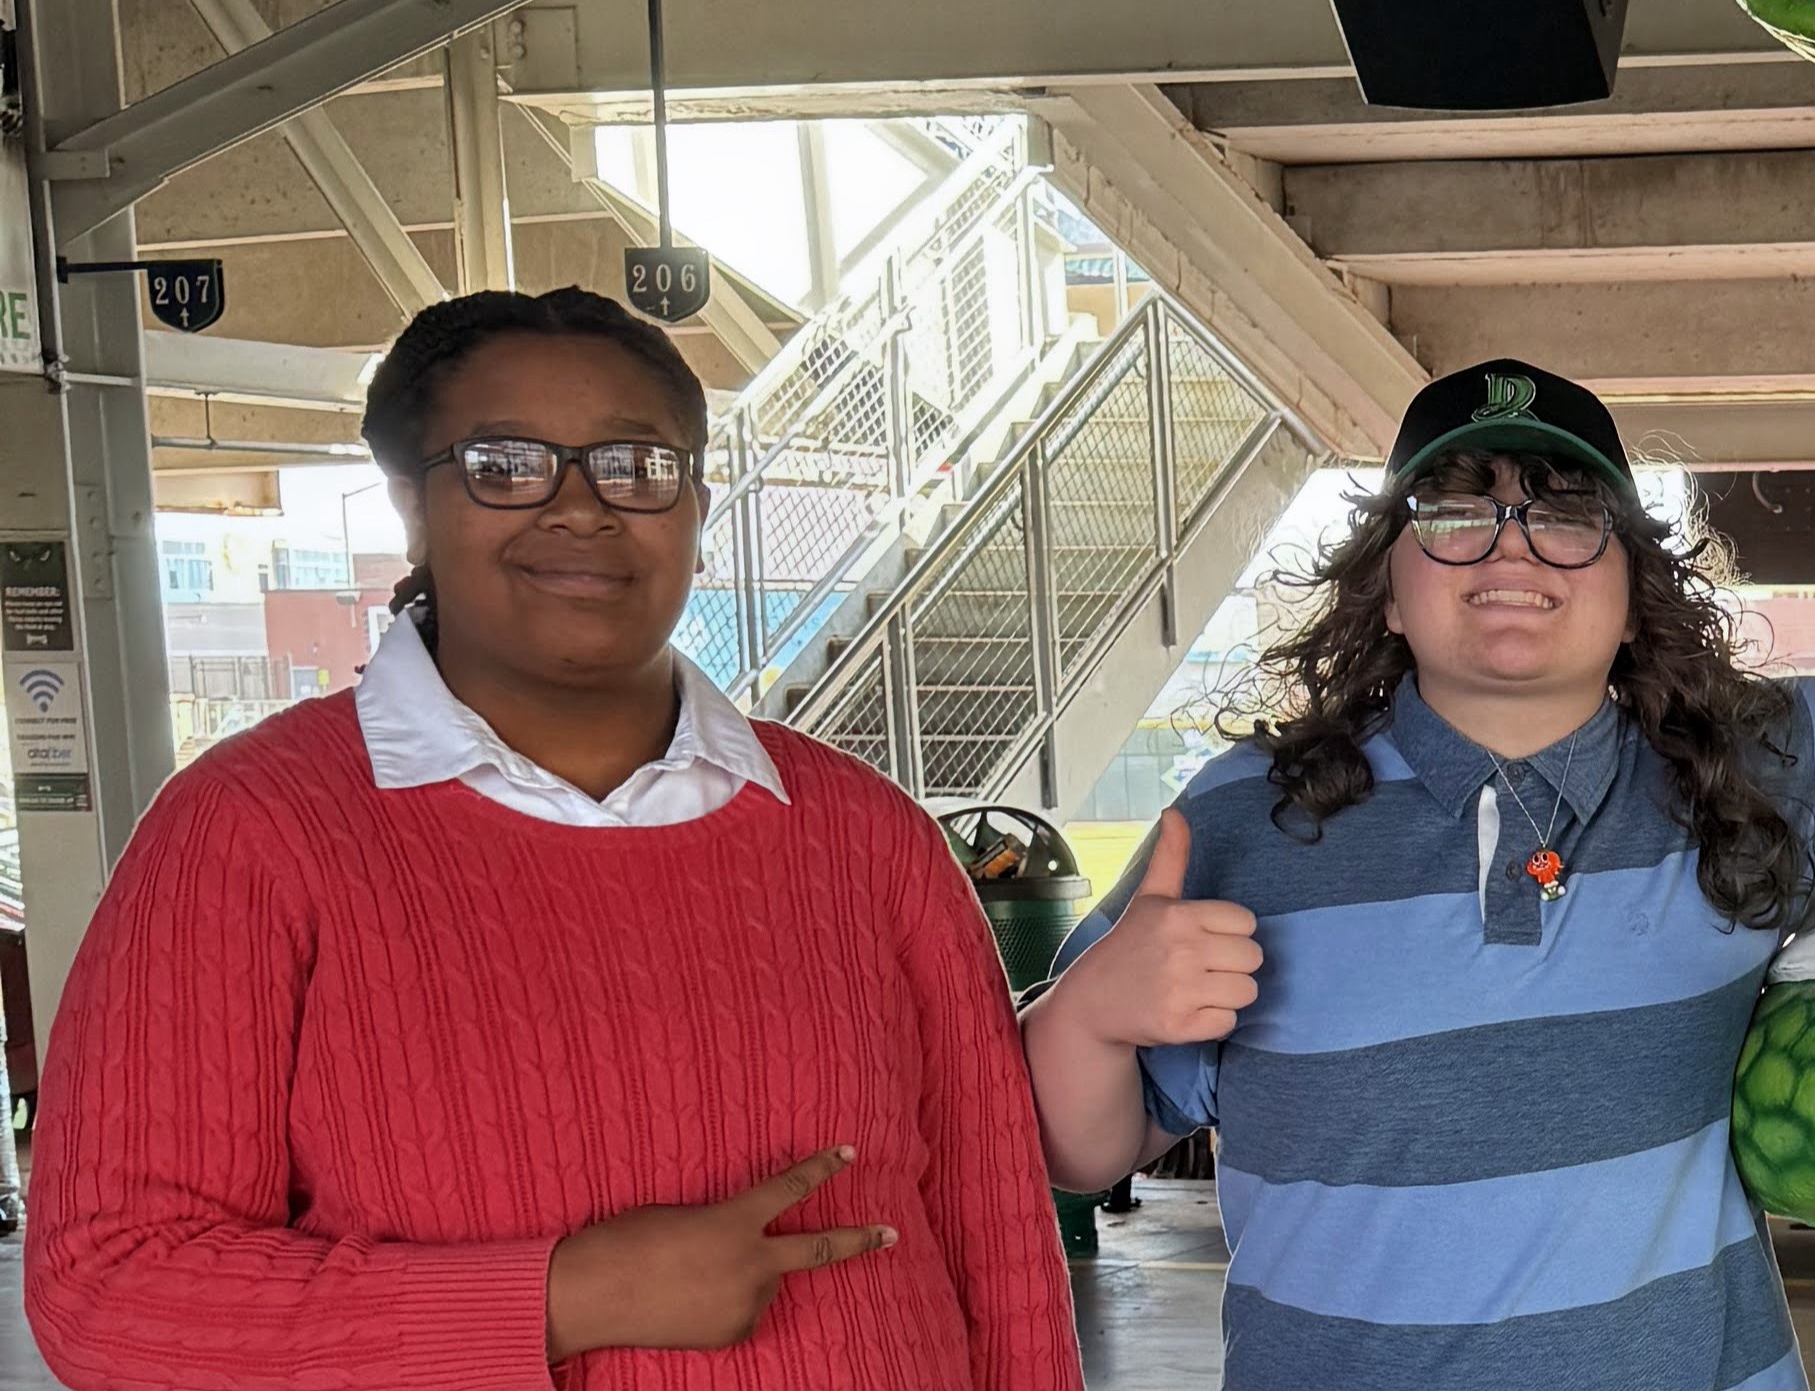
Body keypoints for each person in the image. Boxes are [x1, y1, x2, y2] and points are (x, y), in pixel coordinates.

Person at [27, 289, 1083, 1391]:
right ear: (410, 506)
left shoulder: (867, 839)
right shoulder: (250, 832)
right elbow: (112, 1289)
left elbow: (998, 1239)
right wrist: (562, 1300)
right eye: (503, 464)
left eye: (636, 466)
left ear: (696, 505)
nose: (581, 510)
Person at [1020, 358, 1815, 1391]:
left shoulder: (1745, 772)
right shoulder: (1244, 818)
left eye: (1566, 515)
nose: (1511, 550)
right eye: (1453, 513)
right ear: (1385, 588)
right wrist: (1094, 1015)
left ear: (1633, 593)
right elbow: (1086, 1148)